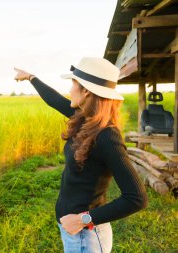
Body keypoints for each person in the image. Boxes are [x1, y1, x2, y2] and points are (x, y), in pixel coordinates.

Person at [13, 57, 148, 253]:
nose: (69, 90)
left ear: (85, 91)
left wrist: (82, 219)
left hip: (87, 236)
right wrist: (31, 77)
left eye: (73, 84)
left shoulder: (107, 136)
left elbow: (137, 198)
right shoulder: (85, 119)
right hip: (75, 232)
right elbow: (55, 100)